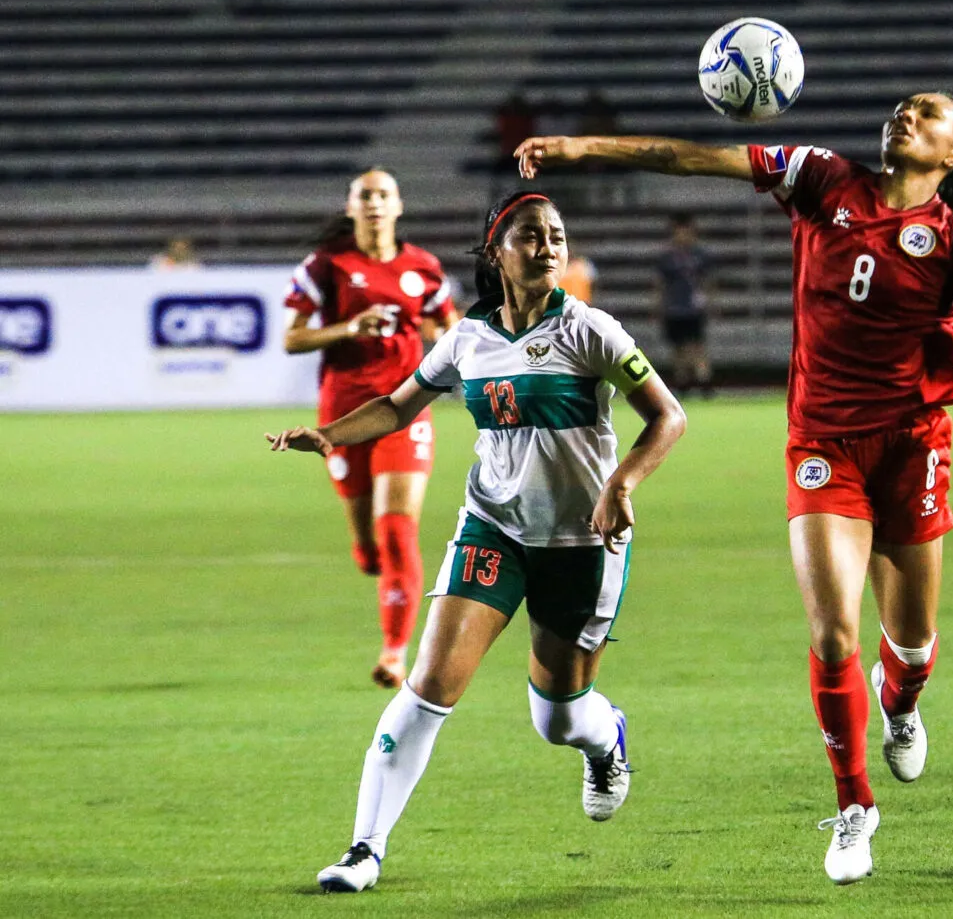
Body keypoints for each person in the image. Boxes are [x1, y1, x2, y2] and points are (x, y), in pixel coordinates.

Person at [514, 92, 953, 885]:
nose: (907, 116)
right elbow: (692, 158)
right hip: (822, 445)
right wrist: (579, 149)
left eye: (931, 114)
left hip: (912, 445)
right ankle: (854, 808)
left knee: (908, 646)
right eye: (905, 107)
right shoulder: (820, 178)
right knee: (833, 633)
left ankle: (902, 701)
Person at [267, 191, 686, 894]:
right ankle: (364, 849)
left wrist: (624, 482)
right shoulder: (467, 338)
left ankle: (605, 735)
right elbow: (401, 404)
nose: (549, 245)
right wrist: (330, 434)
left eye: (556, 233)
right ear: (498, 252)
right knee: (430, 684)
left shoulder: (592, 330)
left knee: (556, 718)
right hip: (493, 525)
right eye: (531, 234)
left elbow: (666, 417)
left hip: (581, 541)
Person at [283, 169, 459, 689]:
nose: (375, 203)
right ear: (352, 206)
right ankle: (387, 586)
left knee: (397, 528)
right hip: (343, 416)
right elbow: (292, 339)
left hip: (405, 409)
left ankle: (394, 654)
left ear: (399, 205)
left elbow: (445, 327)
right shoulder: (327, 266)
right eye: (366, 196)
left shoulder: (423, 268)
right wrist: (347, 328)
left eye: (384, 195)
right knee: (369, 554)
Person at [654, 213, 714, 398]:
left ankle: (704, 383)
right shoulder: (667, 258)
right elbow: (660, 284)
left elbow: (708, 282)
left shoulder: (700, 256)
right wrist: (658, 305)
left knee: (697, 346)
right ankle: (682, 384)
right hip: (674, 308)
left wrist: (711, 302)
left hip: (694, 308)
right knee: (678, 348)